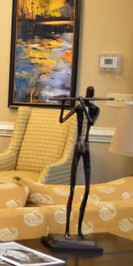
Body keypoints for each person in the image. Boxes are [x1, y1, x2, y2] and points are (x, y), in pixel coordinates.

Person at [59, 86, 101, 239]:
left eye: (90, 93)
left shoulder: (95, 109)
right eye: (88, 92)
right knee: (71, 190)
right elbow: (62, 120)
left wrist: (83, 105)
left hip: (86, 146)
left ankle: (80, 230)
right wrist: (63, 105)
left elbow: (91, 122)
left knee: (88, 190)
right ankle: (67, 230)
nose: (89, 94)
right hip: (77, 147)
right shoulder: (78, 107)